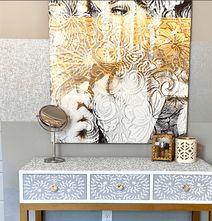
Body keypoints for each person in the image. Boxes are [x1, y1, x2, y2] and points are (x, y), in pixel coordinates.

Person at [49, 0, 192, 143]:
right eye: (94, 11)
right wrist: (79, 140)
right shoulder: (80, 94)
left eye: (119, 10)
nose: (102, 24)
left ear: (152, 19)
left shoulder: (177, 93)